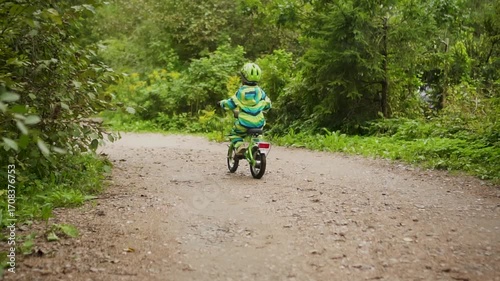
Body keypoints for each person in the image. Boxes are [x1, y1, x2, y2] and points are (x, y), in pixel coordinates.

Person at [217, 62, 271, 155]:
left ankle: (240, 146)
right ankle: (256, 144)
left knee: (234, 134)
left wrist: (221, 103)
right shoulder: (260, 92)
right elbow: (268, 104)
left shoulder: (241, 92)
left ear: (243, 78)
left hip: (244, 123)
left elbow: (231, 103)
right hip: (259, 123)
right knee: (258, 136)